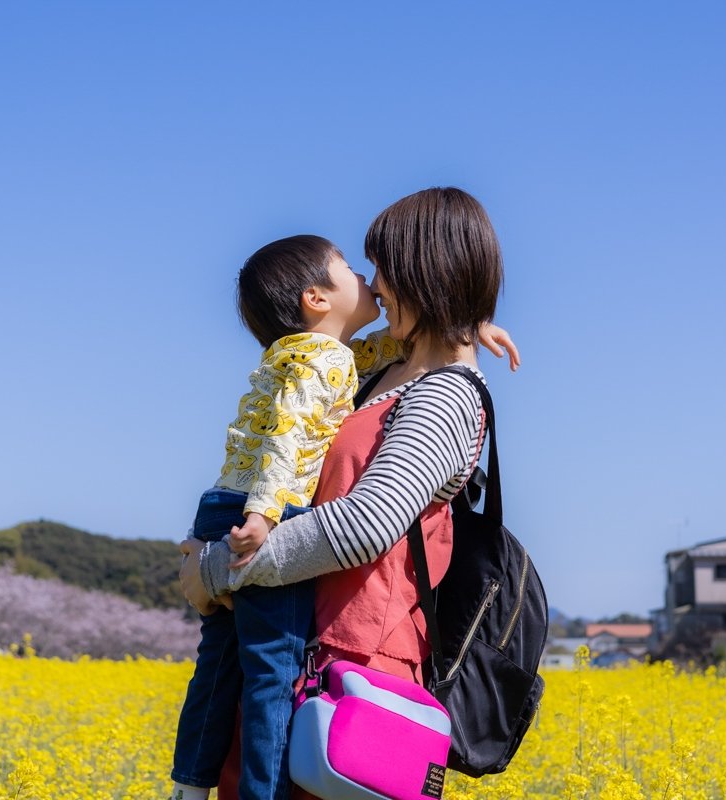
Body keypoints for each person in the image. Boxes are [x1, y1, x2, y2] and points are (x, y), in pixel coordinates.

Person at [179, 187, 515, 800]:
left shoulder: (445, 395)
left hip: (354, 675)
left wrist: (217, 569)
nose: (376, 284)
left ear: (426, 272)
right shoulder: (377, 372)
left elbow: (361, 526)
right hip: (290, 651)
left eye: (385, 268)